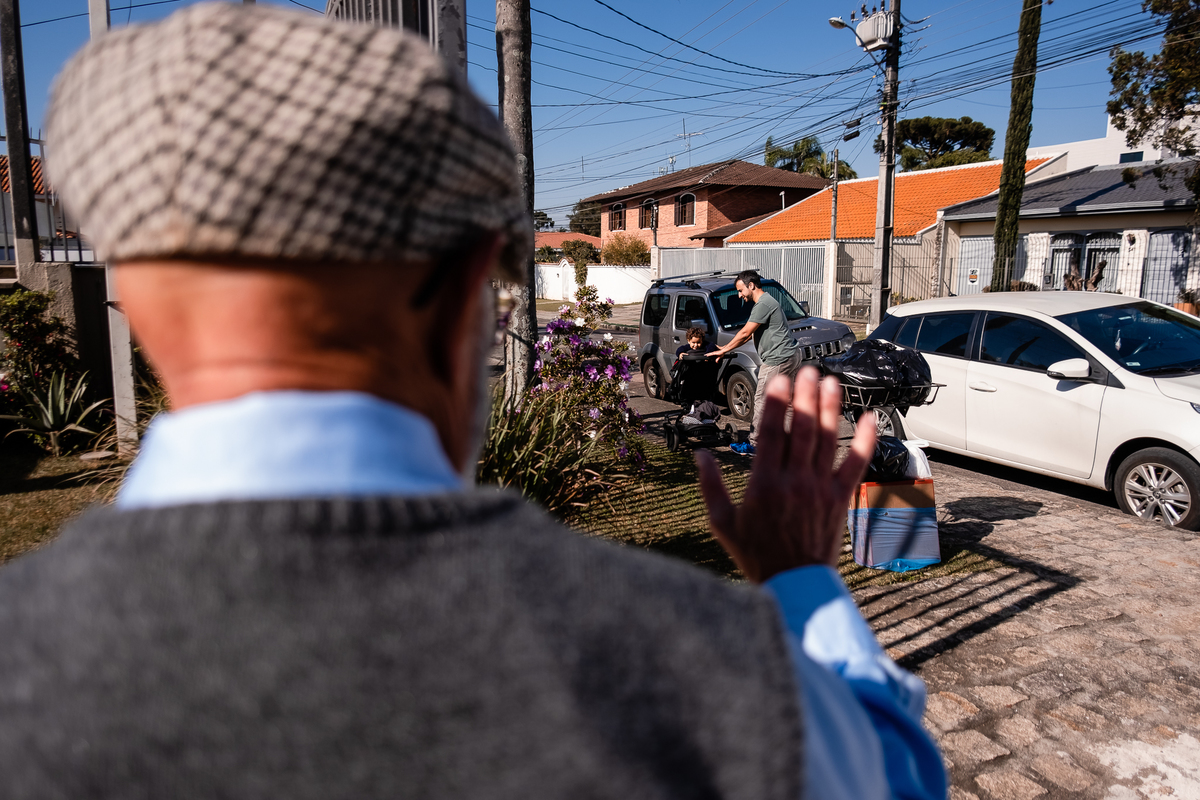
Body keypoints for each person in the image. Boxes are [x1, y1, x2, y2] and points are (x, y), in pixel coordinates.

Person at [0, 5, 946, 799]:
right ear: (464, 289)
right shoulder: (717, 678)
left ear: (132, 295)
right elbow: (898, 773)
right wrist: (801, 582)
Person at [709, 270, 803, 455]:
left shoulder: (763, 304)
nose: (739, 295)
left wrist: (723, 350)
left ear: (751, 285)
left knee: (761, 400)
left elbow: (744, 333)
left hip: (777, 359)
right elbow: (748, 336)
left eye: (740, 290)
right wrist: (727, 348)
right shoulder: (767, 302)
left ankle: (755, 444)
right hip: (790, 355)